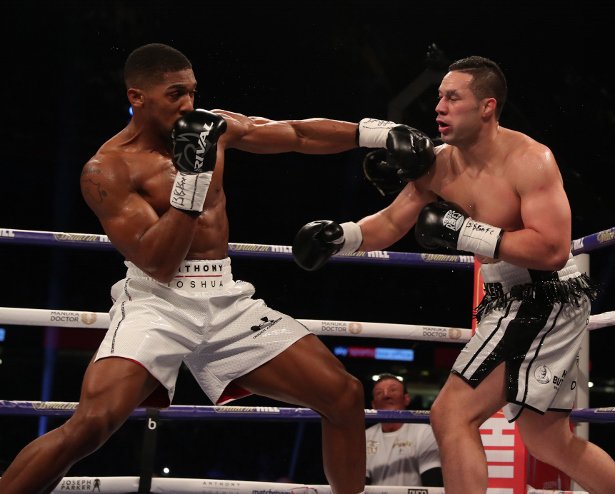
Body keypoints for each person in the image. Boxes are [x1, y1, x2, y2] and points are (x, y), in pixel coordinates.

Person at [0, 43, 433, 494]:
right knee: (93, 423)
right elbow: (159, 261)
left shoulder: (212, 128)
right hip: (158, 303)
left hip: (225, 297)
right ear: (137, 97)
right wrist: (193, 180)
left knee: (343, 395)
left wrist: (378, 133)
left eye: (192, 91)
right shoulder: (107, 170)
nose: (188, 105)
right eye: (175, 94)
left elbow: (297, 134)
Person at [292, 56, 615, 494]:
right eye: (440, 97)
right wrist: (341, 237)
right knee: (547, 440)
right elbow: (392, 221)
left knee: (451, 414)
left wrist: (468, 232)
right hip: (506, 297)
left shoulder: (530, 160)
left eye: (453, 98)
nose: (439, 107)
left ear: (487, 107)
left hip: (546, 295)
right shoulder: (438, 164)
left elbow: (552, 250)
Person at [365, 374, 442, 487]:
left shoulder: (424, 432)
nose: (386, 395)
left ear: (406, 399)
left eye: (393, 390)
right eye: (379, 393)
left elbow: (432, 481)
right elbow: (360, 484)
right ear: (373, 404)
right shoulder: (365, 437)